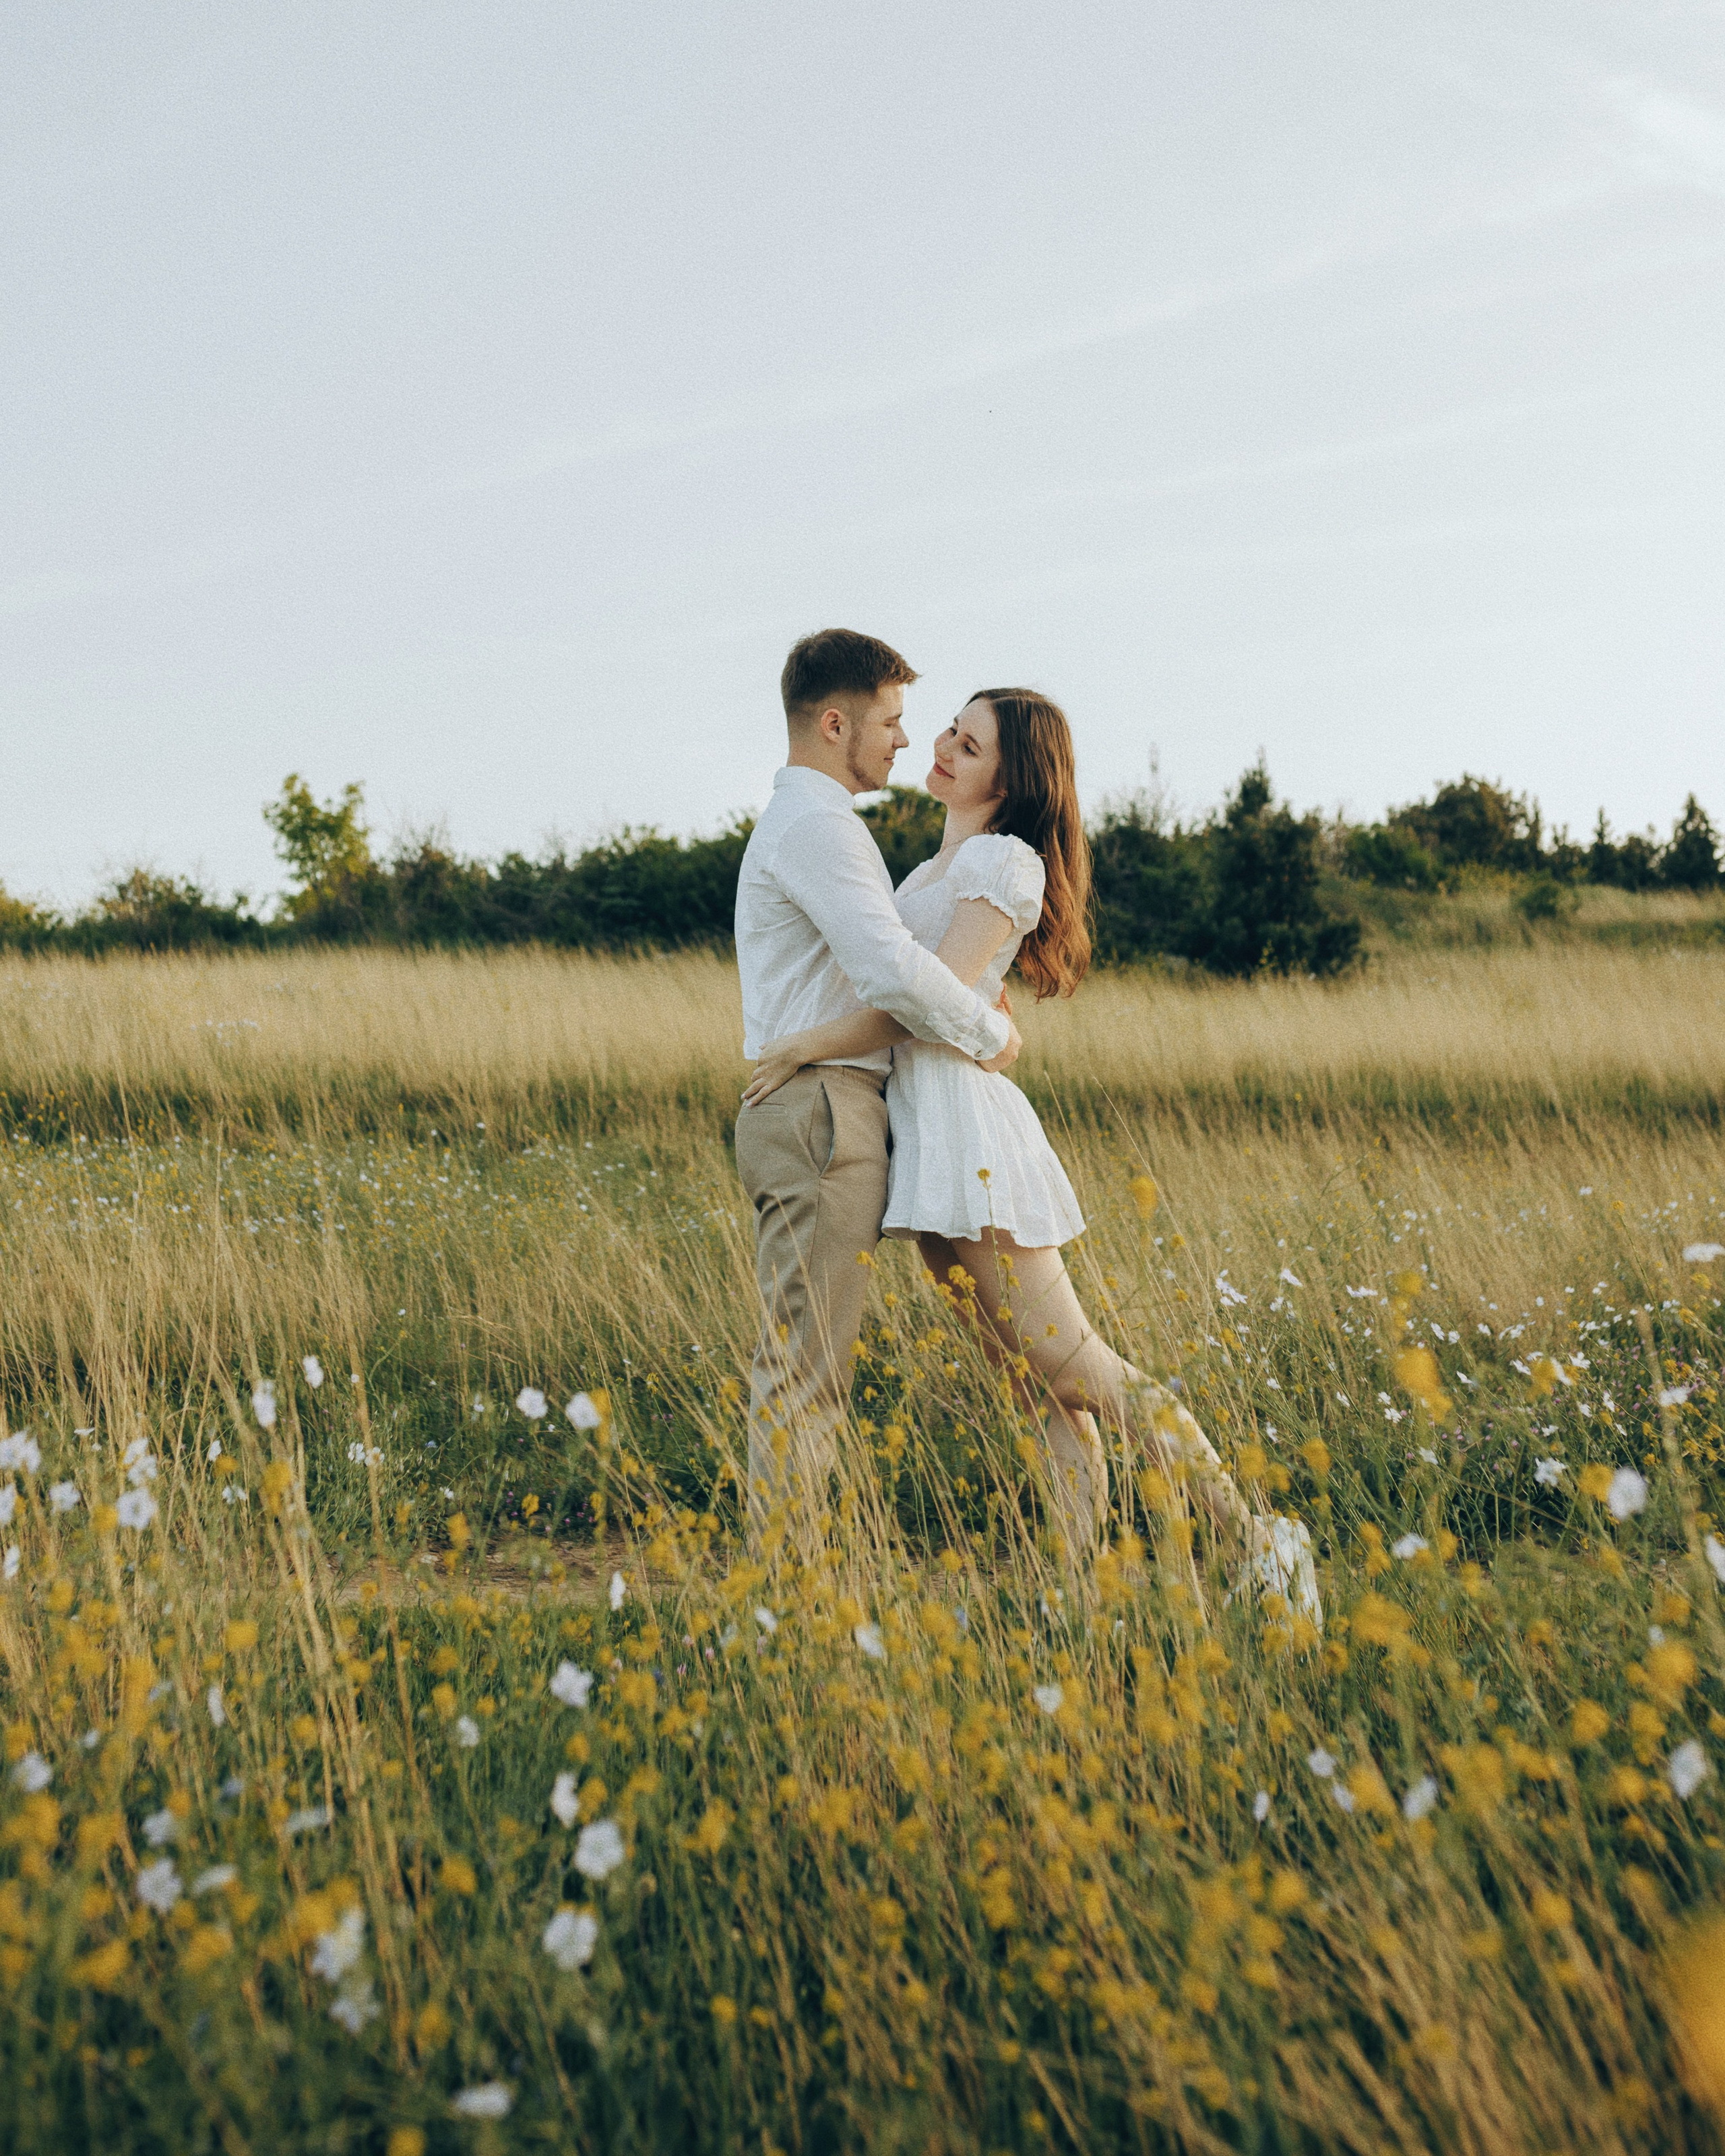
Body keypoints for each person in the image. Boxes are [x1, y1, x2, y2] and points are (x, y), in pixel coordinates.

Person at [743, 685, 1321, 1620]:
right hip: (925, 1140)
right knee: (1035, 1390)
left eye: (969, 747)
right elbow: (936, 997)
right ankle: (1074, 1604)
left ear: (1011, 783)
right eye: (951, 730)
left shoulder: (1003, 861)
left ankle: (1260, 1541)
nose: (941, 747)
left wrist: (805, 1043)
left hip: (967, 1134)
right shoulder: (930, 870)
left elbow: (925, 1001)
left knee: (1080, 1368)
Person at [732, 629, 1021, 1545]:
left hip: (824, 1103)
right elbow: (894, 973)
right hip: (821, 1106)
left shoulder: (809, 824)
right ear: (834, 724)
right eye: (891, 720)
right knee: (807, 1368)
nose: (905, 739)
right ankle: (786, 1592)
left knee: (805, 1359)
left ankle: (786, 1583)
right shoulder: (821, 828)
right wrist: (994, 1033)